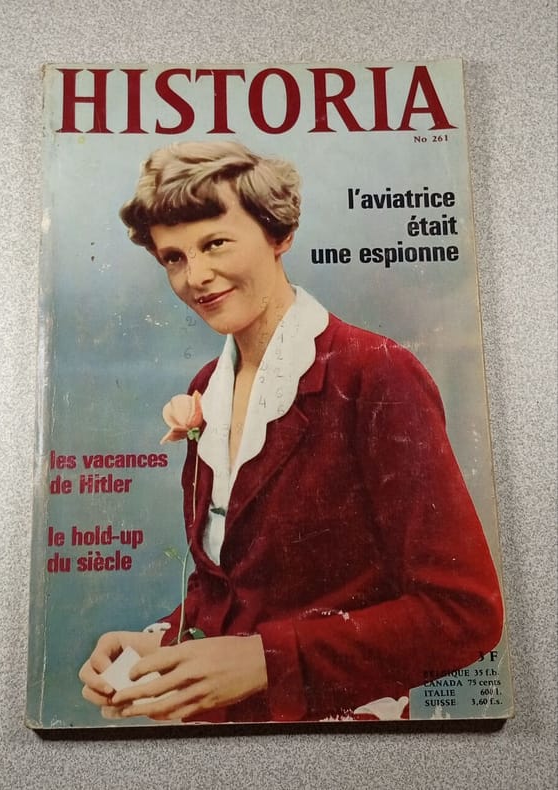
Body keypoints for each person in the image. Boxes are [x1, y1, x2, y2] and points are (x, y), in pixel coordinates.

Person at [79, 140, 504, 723]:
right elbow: (238, 587)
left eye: (215, 243)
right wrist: (163, 642)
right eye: (173, 258)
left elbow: (465, 614)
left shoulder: (375, 373)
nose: (195, 277)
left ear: (278, 234)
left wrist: (265, 661)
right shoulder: (208, 386)